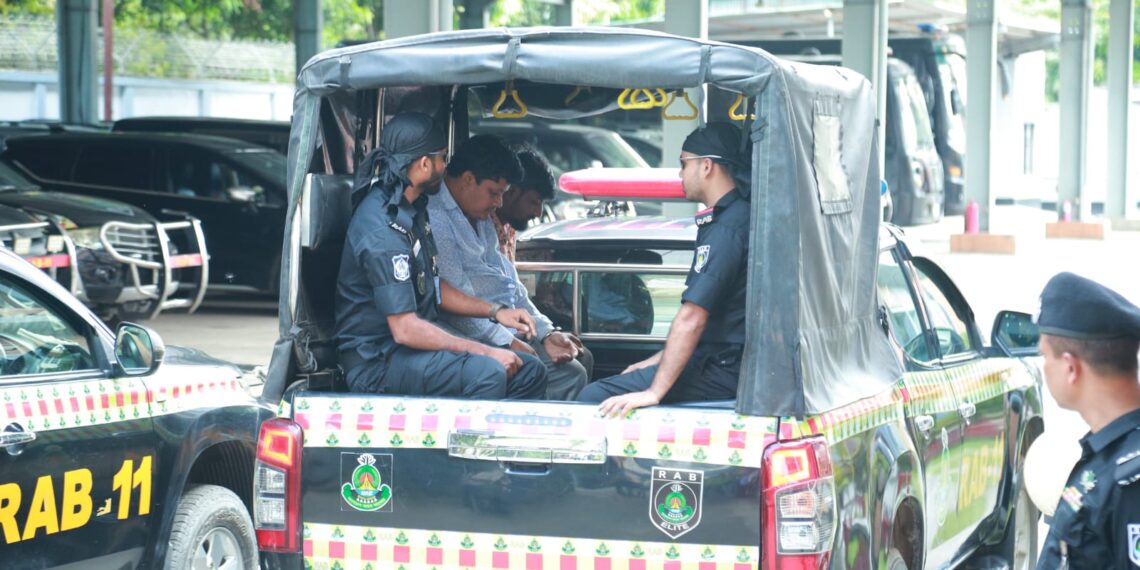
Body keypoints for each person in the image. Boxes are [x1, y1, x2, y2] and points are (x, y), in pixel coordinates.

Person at [334, 113, 547, 399]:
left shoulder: (412, 209)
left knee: (530, 369)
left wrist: (496, 311)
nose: (447, 167)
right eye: (443, 158)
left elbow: (432, 283)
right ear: (424, 164)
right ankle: (468, 444)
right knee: (490, 371)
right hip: (378, 361)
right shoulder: (383, 229)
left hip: (409, 348)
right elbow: (405, 329)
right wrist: (487, 351)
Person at [577, 122, 750, 415]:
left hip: (721, 368)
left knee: (591, 399)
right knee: (626, 374)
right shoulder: (734, 217)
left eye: (684, 163)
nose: (680, 174)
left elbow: (692, 317)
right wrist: (655, 361)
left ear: (707, 166)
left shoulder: (728, 228)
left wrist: (653, 392)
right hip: (719, 360)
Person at [429, 137, 590, 400]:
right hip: (469, 333)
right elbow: (458, 307)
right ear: (468, 179)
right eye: (494, 192)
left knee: (579, 357)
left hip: (503, 326)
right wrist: (507, 341)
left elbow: (509, 283)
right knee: (568, 373)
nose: (499, 204)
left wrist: (546, 331)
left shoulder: (478, 216)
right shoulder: (438, 219)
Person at [1035, 272, 1140, 569]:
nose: (1044, 367)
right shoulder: (1110, 458)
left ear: (1070, 367)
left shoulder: (1131, 483)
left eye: (1045, 356)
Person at [490, 146, 554, 262]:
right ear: (512, 191)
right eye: (534, 202)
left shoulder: (510, 230)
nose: (538, 213)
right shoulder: (481, 226)